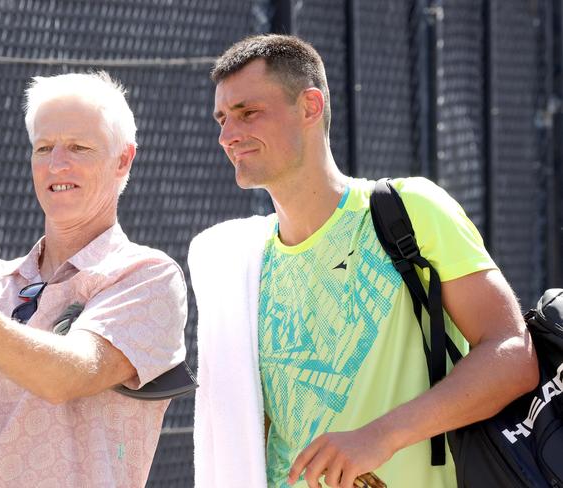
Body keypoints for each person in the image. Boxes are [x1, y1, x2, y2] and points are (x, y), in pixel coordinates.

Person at [188, 34, 538, 488]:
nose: (228, 136)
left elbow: (512, 355)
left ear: (310, 107)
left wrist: (381, 436)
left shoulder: (409, 210)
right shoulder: (239, 265)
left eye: (247, 113)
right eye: (221, 119)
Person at [0, 71, 187, 487]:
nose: (57, 163)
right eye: (44, 148)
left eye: (79, 147)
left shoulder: (145, 276)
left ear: (123, 159)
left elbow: (66, 377)